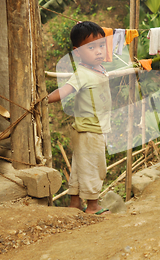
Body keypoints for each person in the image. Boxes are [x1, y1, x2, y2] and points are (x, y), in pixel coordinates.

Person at [48, 21, 111, 215]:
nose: (98, 51)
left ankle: (74, 203)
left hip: (90, 129)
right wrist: (44, 99)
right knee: (94, 167)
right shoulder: (82, 73)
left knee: (79, 166)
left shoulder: (99, 69)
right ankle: (93, 206)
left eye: (101, 45)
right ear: (77, 53)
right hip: (90, 131)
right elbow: (65, 91)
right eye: (91, 47)